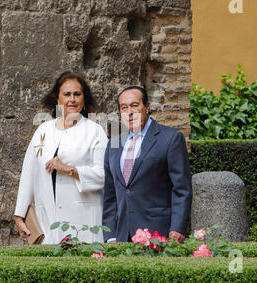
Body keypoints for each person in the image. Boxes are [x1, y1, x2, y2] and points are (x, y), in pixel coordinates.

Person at [14, 71, 108, 244]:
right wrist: (20, 215)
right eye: (66, 94)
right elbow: (29, 173)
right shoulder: (43, 130)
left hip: (83, 218)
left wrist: (70, 170)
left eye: (77, 94)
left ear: (84, 99)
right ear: (57, 99)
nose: (72, 99)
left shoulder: (95, 131)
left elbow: (105, 176)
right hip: (47, 219)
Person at [102, 86, 192, 243]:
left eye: (134, 105)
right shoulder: (113, 144)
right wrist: (110, 236)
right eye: (124, 107)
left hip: (159, 233)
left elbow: (182, 189)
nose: (129, 112)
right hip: (123, 237)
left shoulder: (170, 139)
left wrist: (177, 228)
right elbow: (110, 196)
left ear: (147, 107)